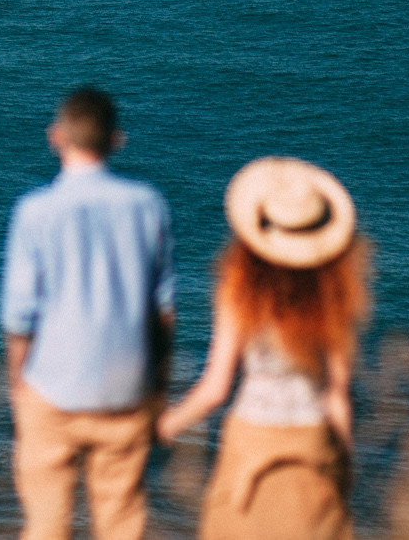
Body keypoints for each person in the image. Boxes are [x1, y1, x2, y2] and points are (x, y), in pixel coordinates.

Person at [157, 157, 370, 540]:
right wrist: (344, 466)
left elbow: (216, 388)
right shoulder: (335, 296)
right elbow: (338, 395)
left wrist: (164, 424)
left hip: (251, 441)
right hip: (312, 438)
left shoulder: (238, 290)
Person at [2, 87, 176, 540]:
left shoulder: (34, 211)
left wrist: (18, 385)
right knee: (121, 523)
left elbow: (20, 317)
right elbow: (163, 312)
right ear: (117, 139)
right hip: (125, 392)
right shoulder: (148, 205)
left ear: (55, 136)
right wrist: (158, 385)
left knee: (45, 524)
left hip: (51, 391)